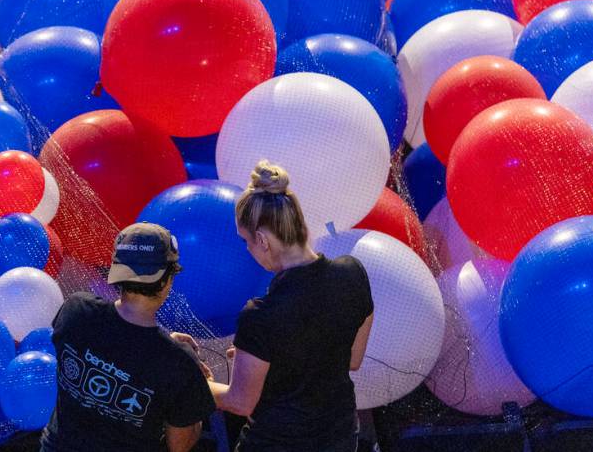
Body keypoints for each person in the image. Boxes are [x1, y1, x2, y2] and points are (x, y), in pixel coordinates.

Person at [206, 160, 374, 452]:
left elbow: (239, 401)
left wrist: (199, 382)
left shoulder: (260, 315)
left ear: (262, 239)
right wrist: (270, 359)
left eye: (246, 241)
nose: (248, 250)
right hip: (340, 439)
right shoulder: (352, 273)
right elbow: (351, 359)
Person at [40, 222, 216, 452]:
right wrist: (200, 388)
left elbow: (120, 342)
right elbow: (180, 445)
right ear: (167, 281)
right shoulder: (178, 363)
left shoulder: (76, 311)